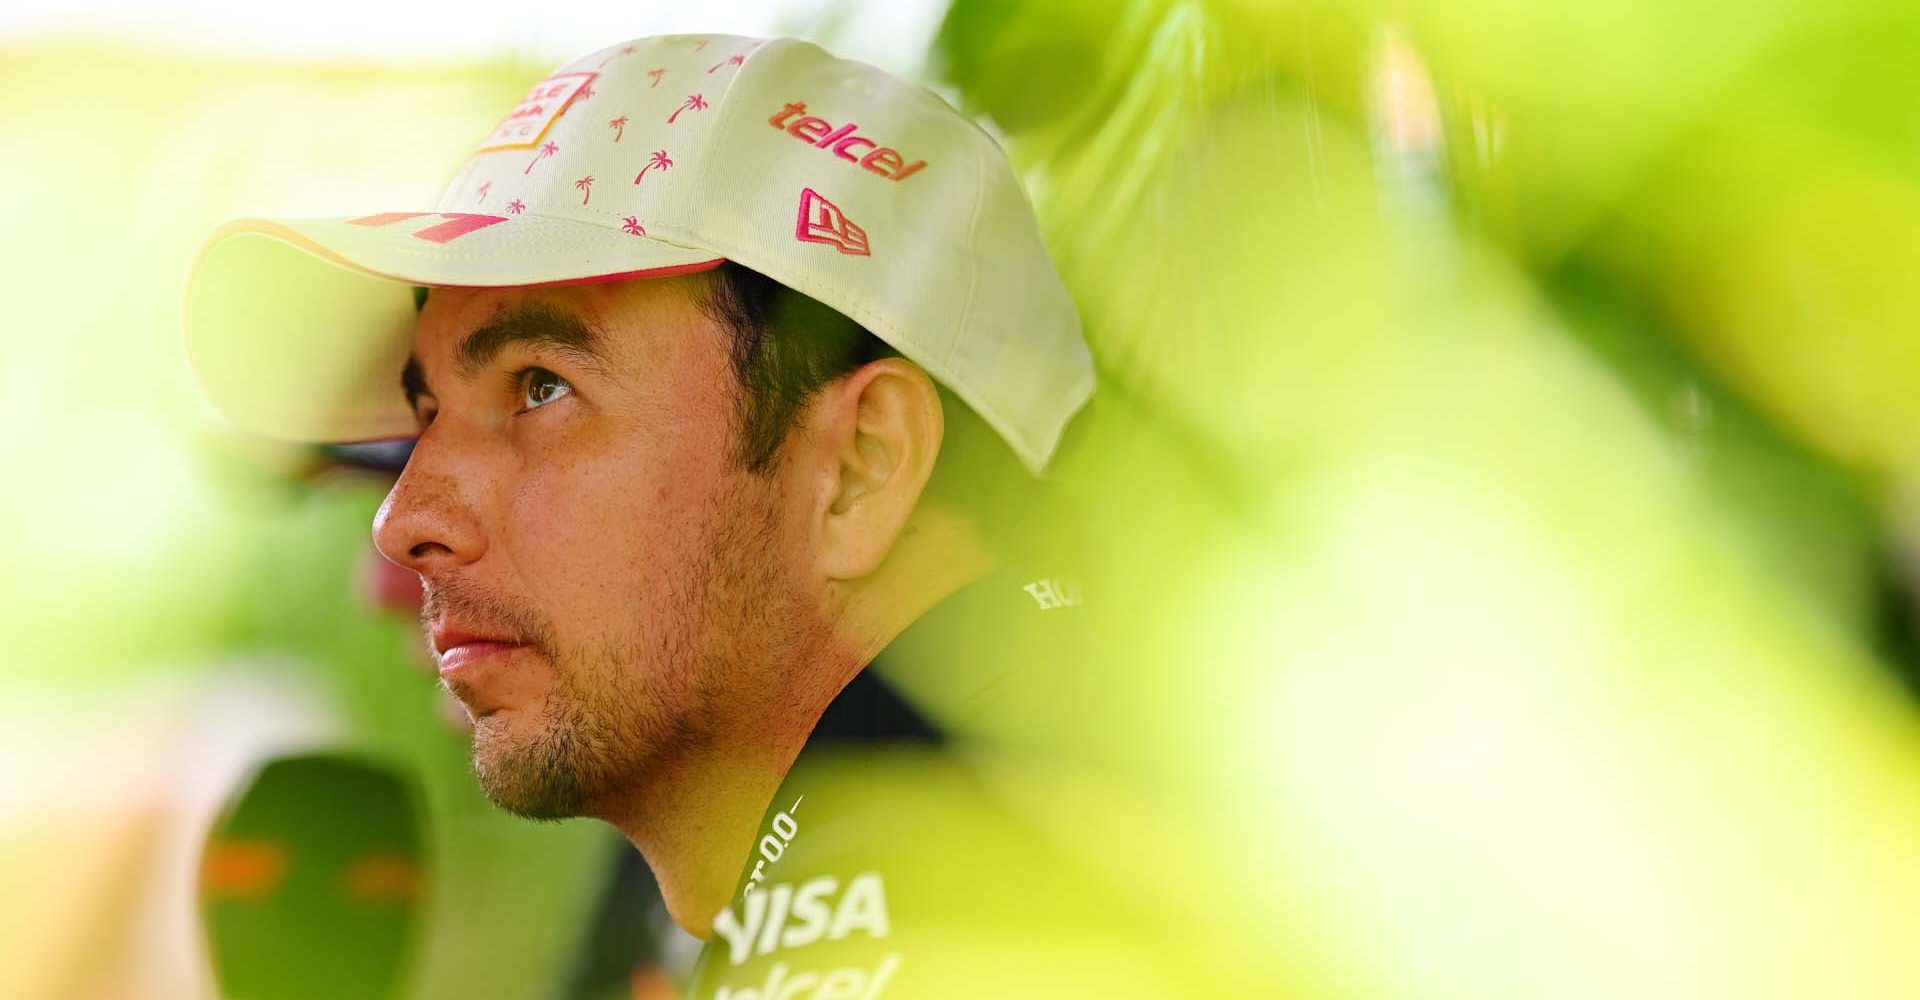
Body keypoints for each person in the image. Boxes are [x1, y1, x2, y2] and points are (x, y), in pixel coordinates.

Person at [185, 33, 1160, 998]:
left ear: (861, 467)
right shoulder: (985, 856)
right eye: (428, 410)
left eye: (538, 387)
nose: (401, 523)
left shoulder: (1012, 914)